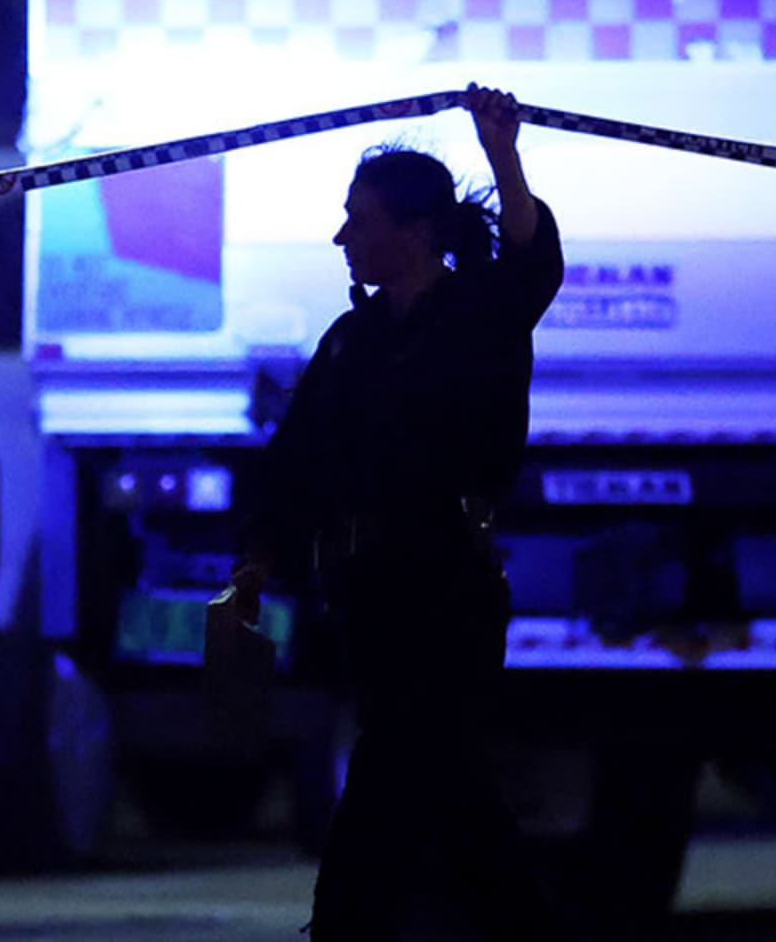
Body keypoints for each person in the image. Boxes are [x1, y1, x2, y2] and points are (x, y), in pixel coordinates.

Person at [230, 82, 565, 940]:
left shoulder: (482, 315)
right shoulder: (352, 341)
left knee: (400, 763)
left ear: (414, 232)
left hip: (448, 581)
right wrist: (258, 558)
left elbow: (530, 259)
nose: (343, 236)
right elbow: (297, 459)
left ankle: (344, 926)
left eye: (360, 218)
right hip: (369, 589)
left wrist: (503, 152)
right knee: (446, 779)